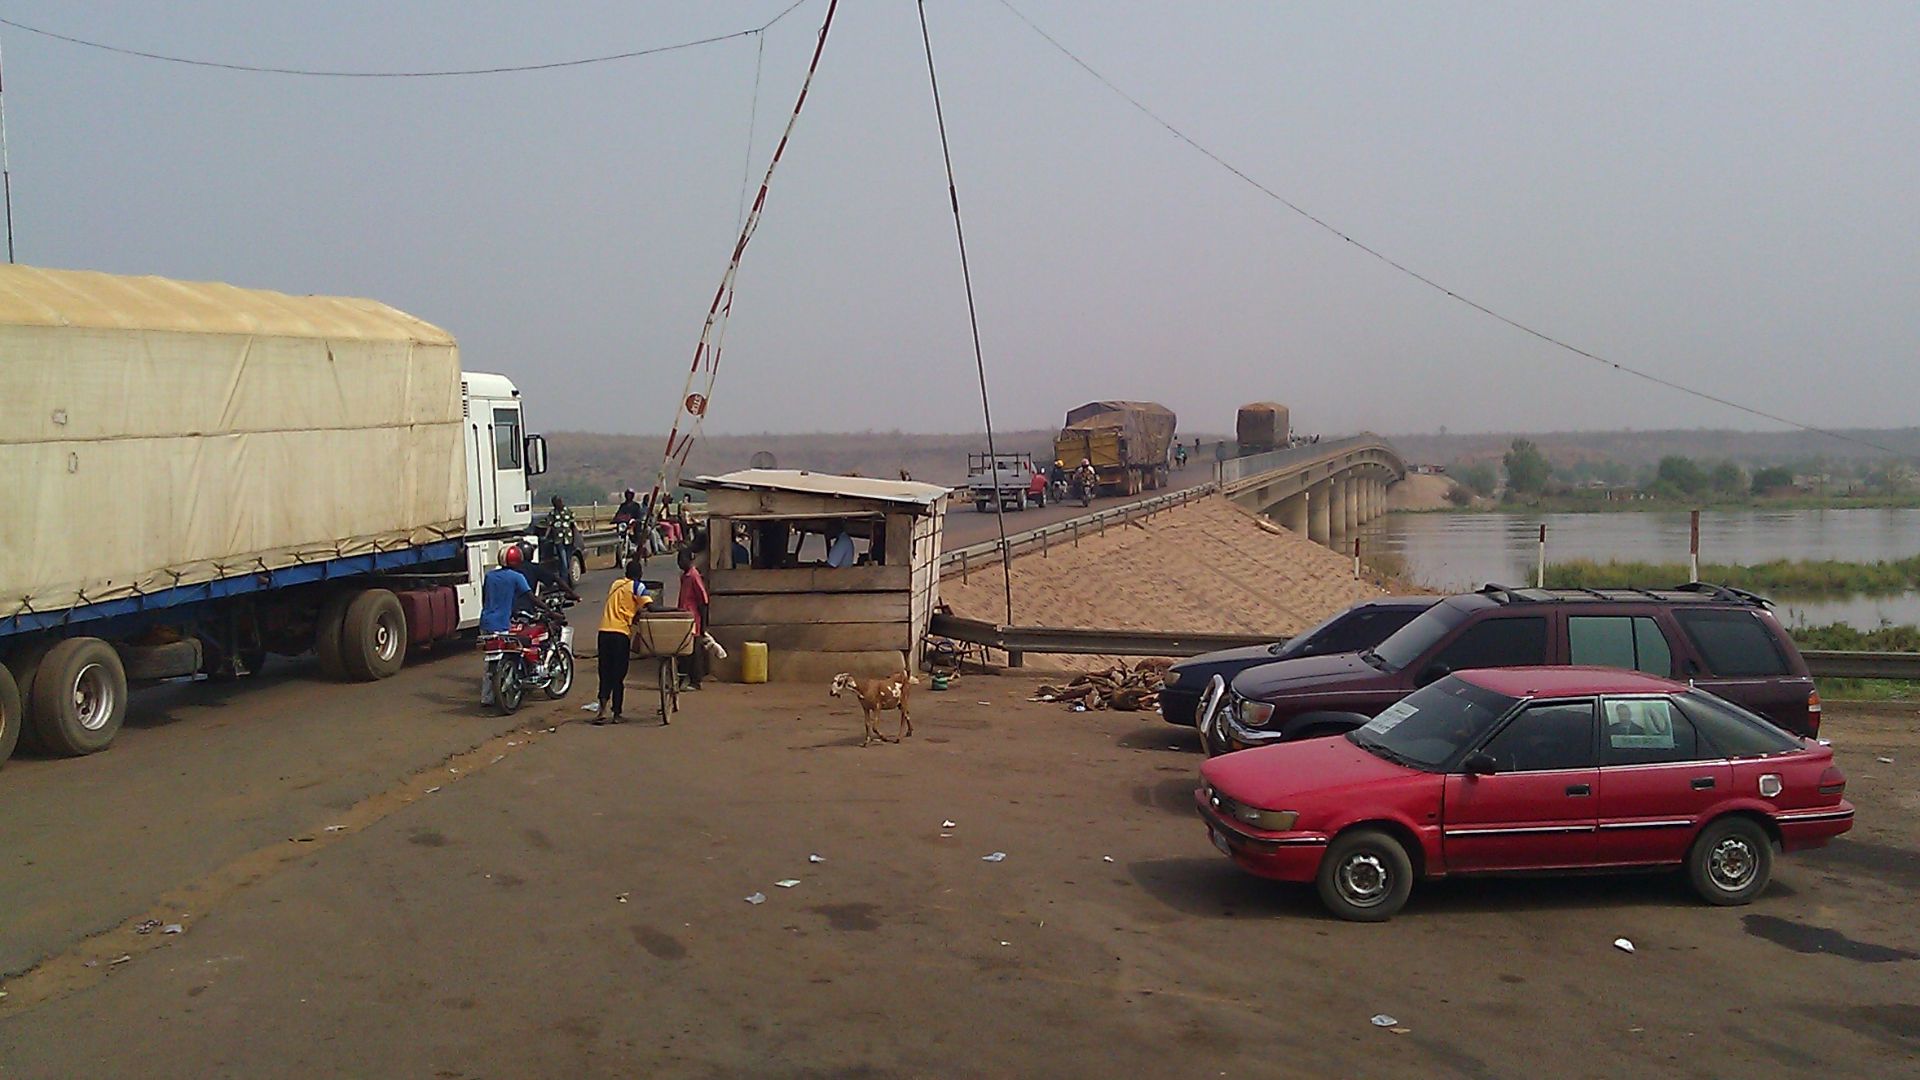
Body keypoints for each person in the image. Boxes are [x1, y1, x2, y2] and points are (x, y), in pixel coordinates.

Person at [595, 558, 651, 723]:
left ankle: (602, 710)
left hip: (604, 631)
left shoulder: (615, 584)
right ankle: (617, 713)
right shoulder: (638, 586)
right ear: (639, 574)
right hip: (620, 633)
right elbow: (650, 606)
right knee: (618, 674)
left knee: (604, 672)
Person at [479, 547, 534, 705]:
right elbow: (530, 597)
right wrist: (549, 611)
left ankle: (487, 697)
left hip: (486, 622)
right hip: (502, 624)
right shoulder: (517, 577)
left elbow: (486, 598)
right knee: (514, 653)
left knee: (490, 663)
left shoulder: (490, 576)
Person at [676, 549, 710, 691]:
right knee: (684, 651)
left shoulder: (694, 576)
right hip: (684, 618)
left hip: (693, 619)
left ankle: (696, 681)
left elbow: (703, 601)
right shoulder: (684, 576)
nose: (679, 563)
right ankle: (682, 678)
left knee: (694, 652)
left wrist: (702, 625)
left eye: (681, 560)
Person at [543, 495, 579, 587]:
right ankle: (564, 582)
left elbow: (573, 525)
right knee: (563, 562)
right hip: (559, 540)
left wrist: (576, 538)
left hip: (569, 539)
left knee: (567, 560)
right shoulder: (552, 514)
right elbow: (549, 526)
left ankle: (567, 581)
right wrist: (545, 537)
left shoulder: (568, 511)